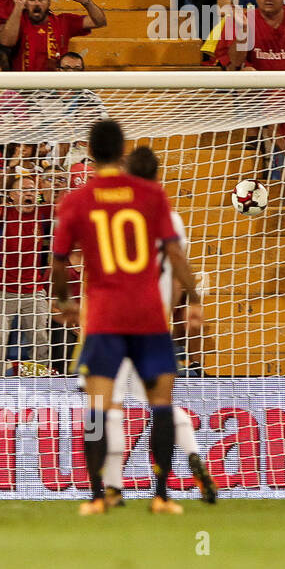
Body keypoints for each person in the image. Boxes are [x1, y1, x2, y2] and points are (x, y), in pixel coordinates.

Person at [51, 120, 205, 516]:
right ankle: (161, 496)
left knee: (100, 406)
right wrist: (195, 300)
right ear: (122, 150)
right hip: (149, 317)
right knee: (161, 404)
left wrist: (66, 300)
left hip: (103, 317)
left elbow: (58, 259)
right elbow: (175, 255)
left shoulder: (76, 200)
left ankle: (98, 497)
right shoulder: (152, 196)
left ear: (90, 150)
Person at [99, 146, 217, 508]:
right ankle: (193, 456)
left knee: (111, 406)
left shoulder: (114, 216)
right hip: (154, 328)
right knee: (160, 403)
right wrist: (193, 301)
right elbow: (178, 265)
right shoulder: (172, 218)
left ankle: (114, 488)